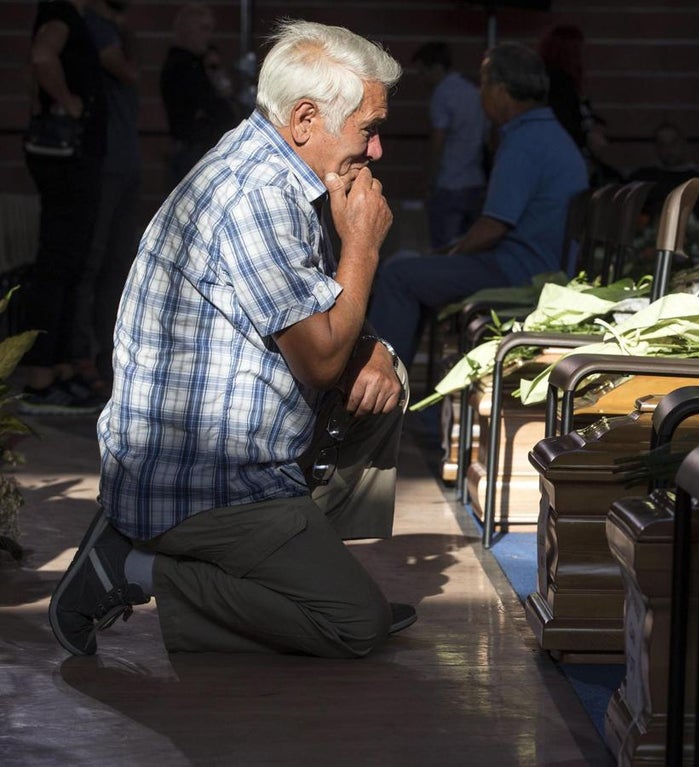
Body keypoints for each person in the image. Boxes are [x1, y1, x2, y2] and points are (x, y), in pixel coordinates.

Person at [49, 20, 414, 659]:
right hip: (206, 482)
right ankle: (128, 569)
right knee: (356, 627)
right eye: (368, 129)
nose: (377, 151)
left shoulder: (269, 160)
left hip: (227, 463)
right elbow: (323, 359)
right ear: (305, 119)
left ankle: (306, 573)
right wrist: (363, 245)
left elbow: (313, 303)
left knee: (387, 373)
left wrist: (371, 343)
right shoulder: (261, 197)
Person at [368, 42, 588, 367]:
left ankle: (375, 392)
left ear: (500, 90)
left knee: (397, 275)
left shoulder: (524, 142)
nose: (480, 93)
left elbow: (492, 228)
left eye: (483, 84)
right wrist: (442, 259)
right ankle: (410, 398)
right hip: (540, 268)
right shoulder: (551, 133)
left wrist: (449, 257)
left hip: (519, 274)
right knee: (415, 269)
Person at [19, 0, 108, 414]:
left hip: (77, 160)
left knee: (70, 263)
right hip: (66, 159)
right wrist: (69, 102)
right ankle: (40, 377)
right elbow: (41, 55)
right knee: (57, 263)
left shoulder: (76, 16)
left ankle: (59, 371)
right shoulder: (60, 11)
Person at [76, 0, 140, 395]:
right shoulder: (94, 26)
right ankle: (84, 357)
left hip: (123, 159)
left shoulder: (110, 26)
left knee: (117, 264)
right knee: (92, 262)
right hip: (103, 163)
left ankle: (106, 357)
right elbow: (128, 70)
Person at [410, 41, 486, 251]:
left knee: (444, 249)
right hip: (475, 180)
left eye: (423, 72)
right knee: (469, 248)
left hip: (449, 183)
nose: (421, 79)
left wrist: (429, 180)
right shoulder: (473, 91)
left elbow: (438, 141)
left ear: (435, 68)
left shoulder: (441, 95)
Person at [160, 2, 238, 189]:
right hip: (193, 151)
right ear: (186, 29)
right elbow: (212, 107)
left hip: (206, 150)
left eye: (210, 29)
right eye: (203, 28)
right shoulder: (182, 66)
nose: (208, 36)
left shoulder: (201, 64)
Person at [538, 24, 619, 186]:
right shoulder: (560, 83)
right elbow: (566, 123)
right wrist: (587, 136)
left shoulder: (556, 82)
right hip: (568, 163)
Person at [626, 121, 699, 220]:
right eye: (662, 144)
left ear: (683, 144)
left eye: (673, 143)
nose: (668, 149)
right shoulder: (642, 178)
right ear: (656, 147)